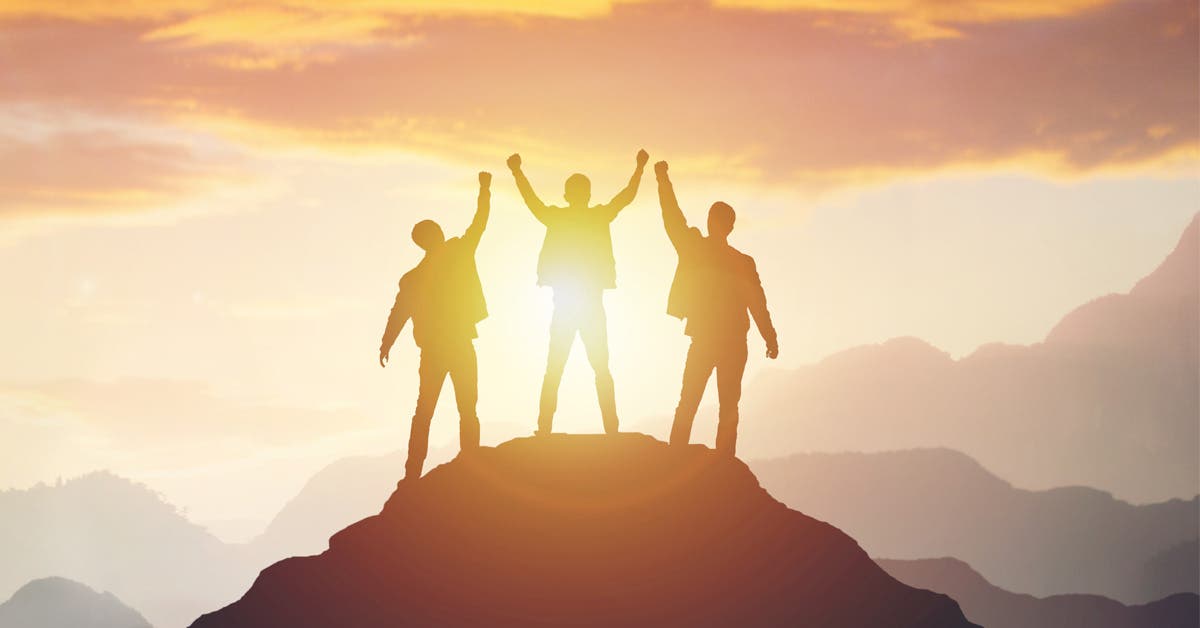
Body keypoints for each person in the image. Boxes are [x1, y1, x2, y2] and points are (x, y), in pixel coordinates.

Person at [507, 149, 649, 436]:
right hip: (587, 304)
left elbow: (531, 201)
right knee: (598, 368)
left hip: (568, 304)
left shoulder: (559, 218)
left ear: (567, 195)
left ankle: (545, 428)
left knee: (557, 367)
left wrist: (517, 172)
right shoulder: (598, 216)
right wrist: (639, 168)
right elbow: (626, 197)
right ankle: (610, 429)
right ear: (585, 194)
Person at [654, 160, 778, 456]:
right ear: (731, 227)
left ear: (711, 222)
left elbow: (672, 218)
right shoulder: (743, 263)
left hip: (705, 339)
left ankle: (675, 459)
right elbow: (758, 305)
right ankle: (725, 463)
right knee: (728, 406)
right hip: (735, 343)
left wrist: (662, 180)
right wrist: (770, 338)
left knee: (688, 401)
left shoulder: (695, 249)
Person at [379, 171, 491, 481]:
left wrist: (386, 343)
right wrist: (484, 190)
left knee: (429, 410)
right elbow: (479, 223)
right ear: (431, 238)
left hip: (437, 349)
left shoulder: (414, 277)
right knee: (463, 407)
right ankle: (467, 462)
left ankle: (413, 472)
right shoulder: (455, 253)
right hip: (455, 344)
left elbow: (398, 314)